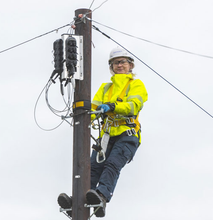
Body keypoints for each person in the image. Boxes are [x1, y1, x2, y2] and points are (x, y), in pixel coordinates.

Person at [58, 47, 148, 218]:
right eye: (115, 63)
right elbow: (92, 108)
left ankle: (101, 197)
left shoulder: (136, 85)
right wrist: (81, 118)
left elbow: (133, 106)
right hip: (107, 135)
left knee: (112, 164)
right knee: (91, 168)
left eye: (122, 62)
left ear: (130, 65)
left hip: (127, 134)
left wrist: (113, 107)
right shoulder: (106, 88)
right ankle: (77, 201)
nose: (119, 65)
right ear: (111, 67)